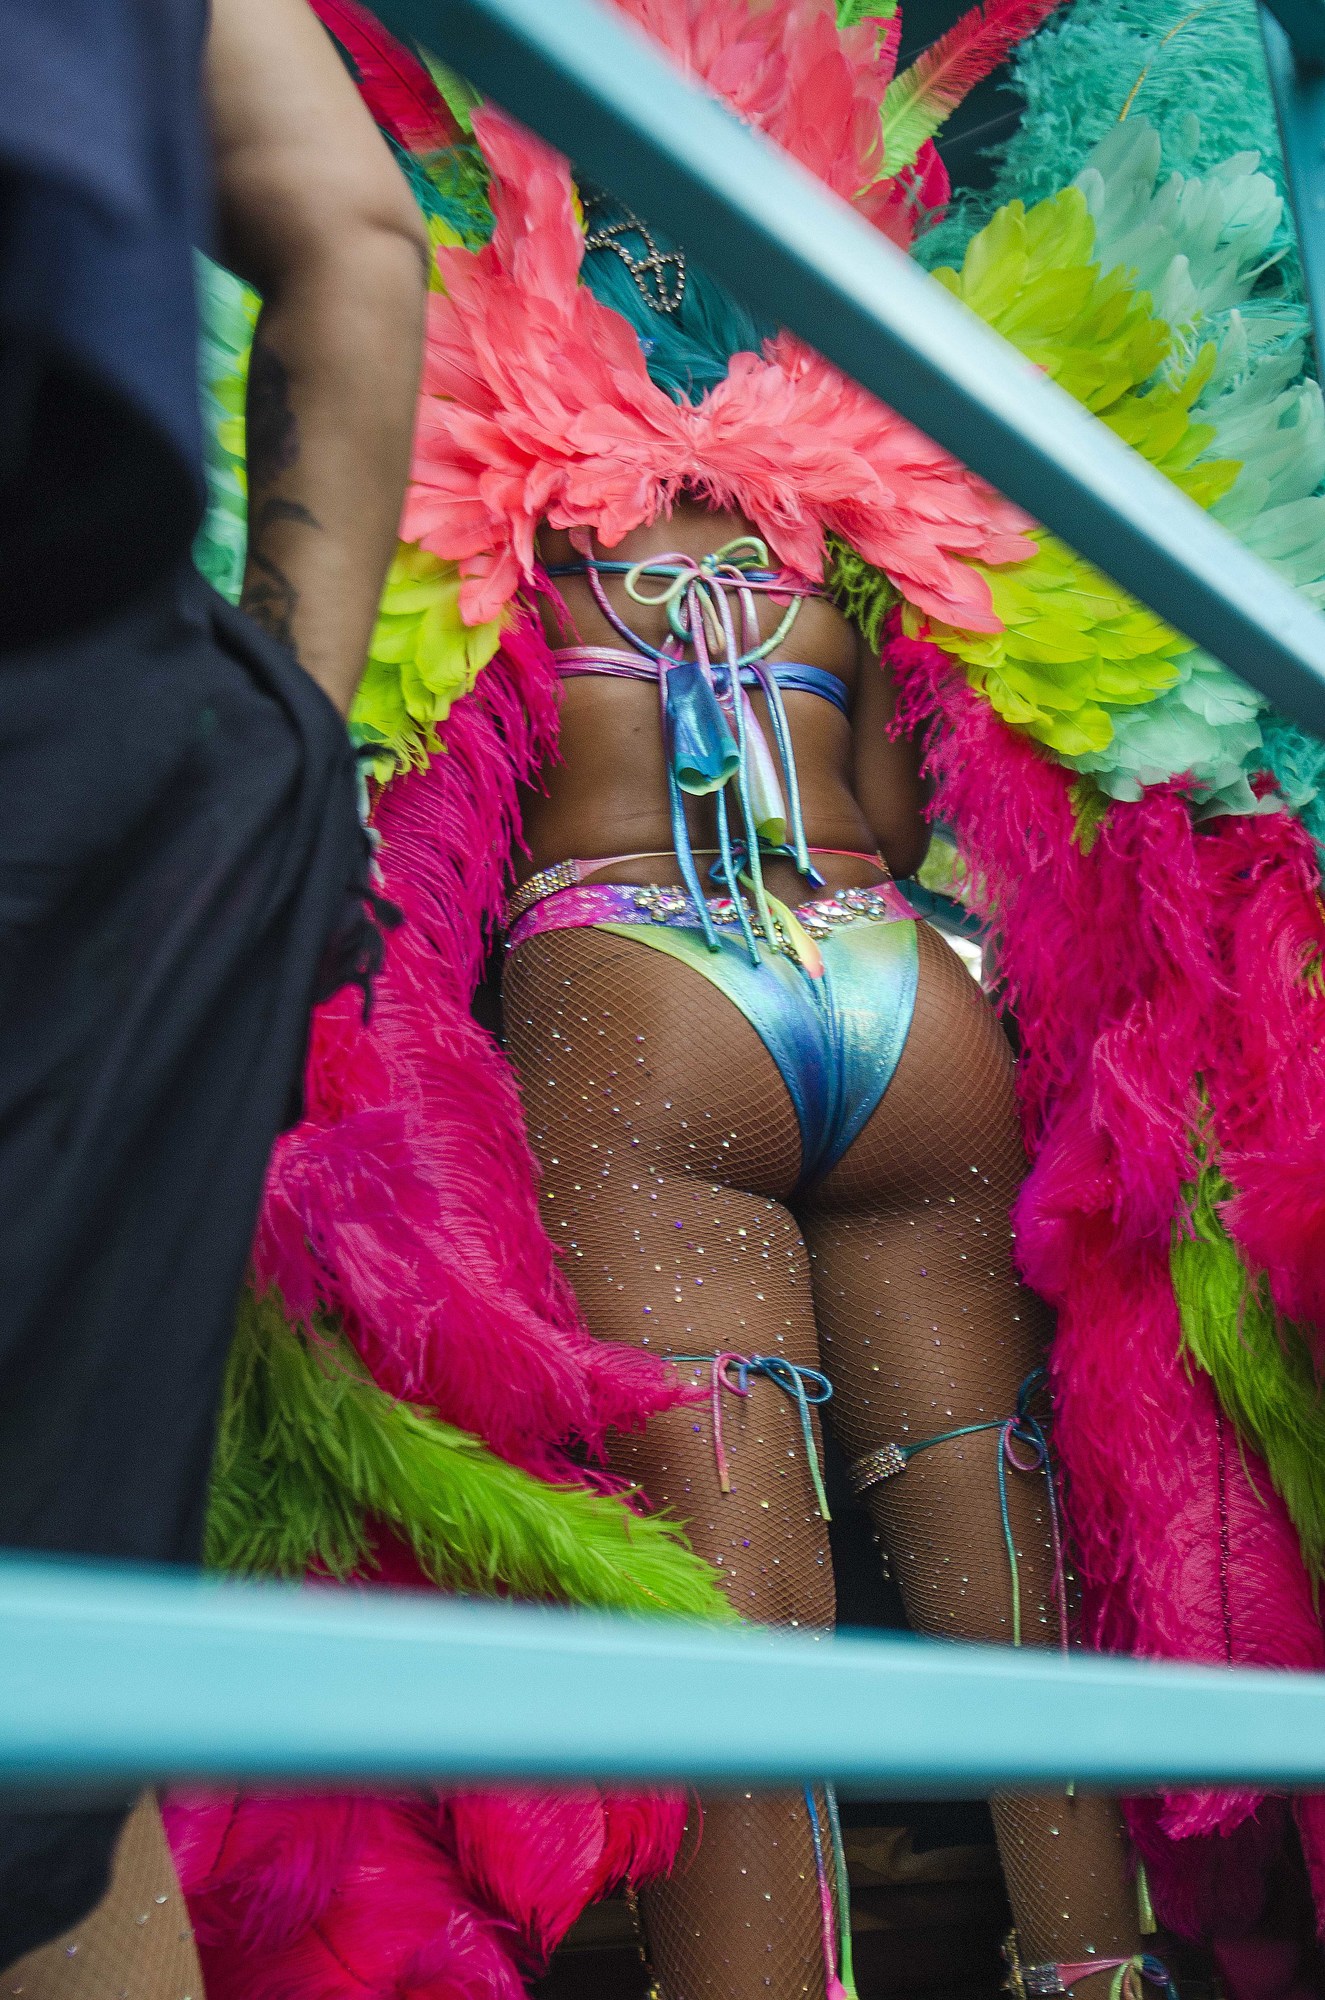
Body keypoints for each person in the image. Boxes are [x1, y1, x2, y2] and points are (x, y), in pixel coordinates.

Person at [0, 0, 427, 1970]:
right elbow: (351, 225)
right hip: (105, 747)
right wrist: (287, 745)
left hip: (110, 761)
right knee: (45, 1687)